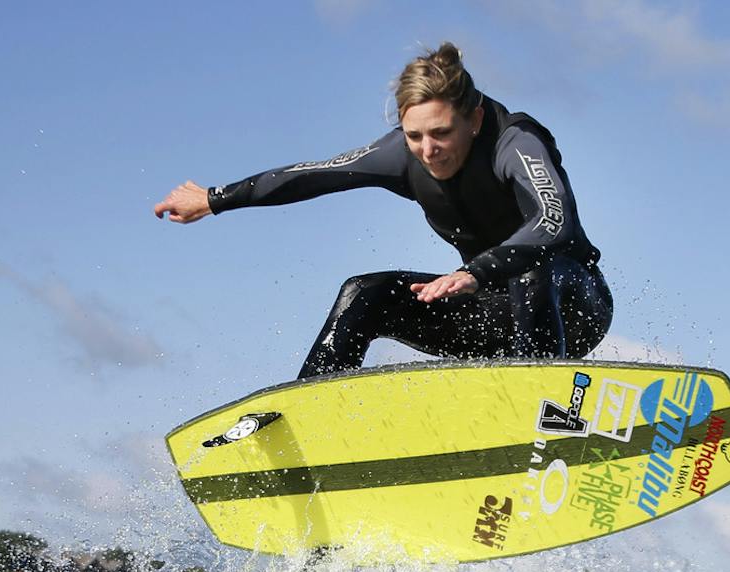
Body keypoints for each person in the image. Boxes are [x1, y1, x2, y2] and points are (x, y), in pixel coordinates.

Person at [153, 42, 612, 381]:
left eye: (441, 133)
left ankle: (539, 410)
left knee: (530, 271)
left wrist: (478, 271)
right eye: (414, 136)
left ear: (472, 119)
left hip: (572, 306)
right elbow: (311, 175)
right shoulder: (403, 155)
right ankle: (311, 415)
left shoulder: (514, 142)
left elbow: (554, 223)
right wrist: (215, 198)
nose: (428, 151)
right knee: (365, 293)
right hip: (488, 316)